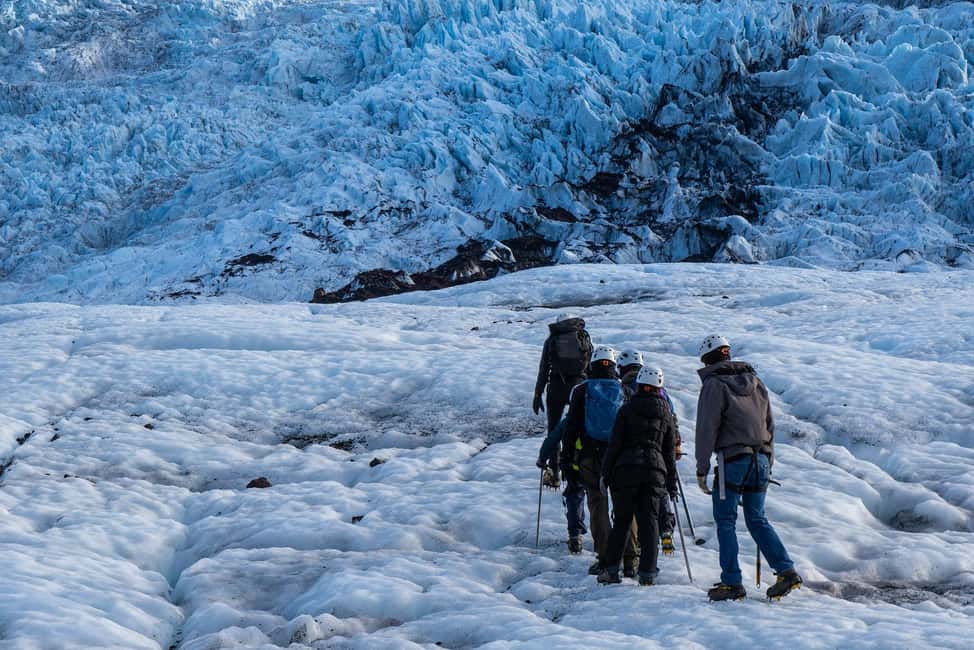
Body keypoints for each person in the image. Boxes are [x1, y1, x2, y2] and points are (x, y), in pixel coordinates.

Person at [695, 334, 802, 601]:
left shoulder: (714, 384)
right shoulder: (756, 382)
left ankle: (732, 582)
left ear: (707, 358)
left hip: (732, 461)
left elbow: (707, 428)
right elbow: (770, 423)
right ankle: (786, 571)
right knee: (757, 518)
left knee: (726, 521)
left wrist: (701, 467)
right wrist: (770, 459)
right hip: (761, 459)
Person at [560, 346, 637, 576]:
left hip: (590, 458)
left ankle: (604, 558)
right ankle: (631, 558)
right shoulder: (624, 390)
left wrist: (566, 458)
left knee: (597, 505)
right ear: (614, 365)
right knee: (625, 507)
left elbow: (571, 427)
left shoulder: (581, 391)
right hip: (622, 458)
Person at [598, 366, 678, 586]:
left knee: (622, 521)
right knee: (649, 522)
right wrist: (671, 485)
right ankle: (647, 573)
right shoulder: (666, 414)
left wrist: (605, 473)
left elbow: (614, 445)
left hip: (625, 471)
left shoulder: (626, 409)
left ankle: (612, 570)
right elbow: (668, 453)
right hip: (655, 472)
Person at [618, 349, 680, 557]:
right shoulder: (659, 388)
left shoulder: (623, 389)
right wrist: (675, 444)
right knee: (660, 488)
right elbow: (671, 415)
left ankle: (637, 545)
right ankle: (666, 528)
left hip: (632, 453)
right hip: (662, 446)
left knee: (636, 499)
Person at [534, 313, 593, 488]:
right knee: (577, 426)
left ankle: (554, 472)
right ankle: (575, 467)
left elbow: (544, 367)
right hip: (579, 386)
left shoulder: (553, 338)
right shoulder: (583, 336)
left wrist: (538, 393)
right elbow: (590, 366)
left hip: (556, 388)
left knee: (554, 429)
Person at [537, 417, 587, 553]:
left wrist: (542, 458)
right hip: (599, 463)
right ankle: (605, 540)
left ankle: (575, 536)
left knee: (574, 495)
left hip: (572, 464)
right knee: (599, 499)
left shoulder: (570, 419)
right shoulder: (602, 414)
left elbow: (552, 439)